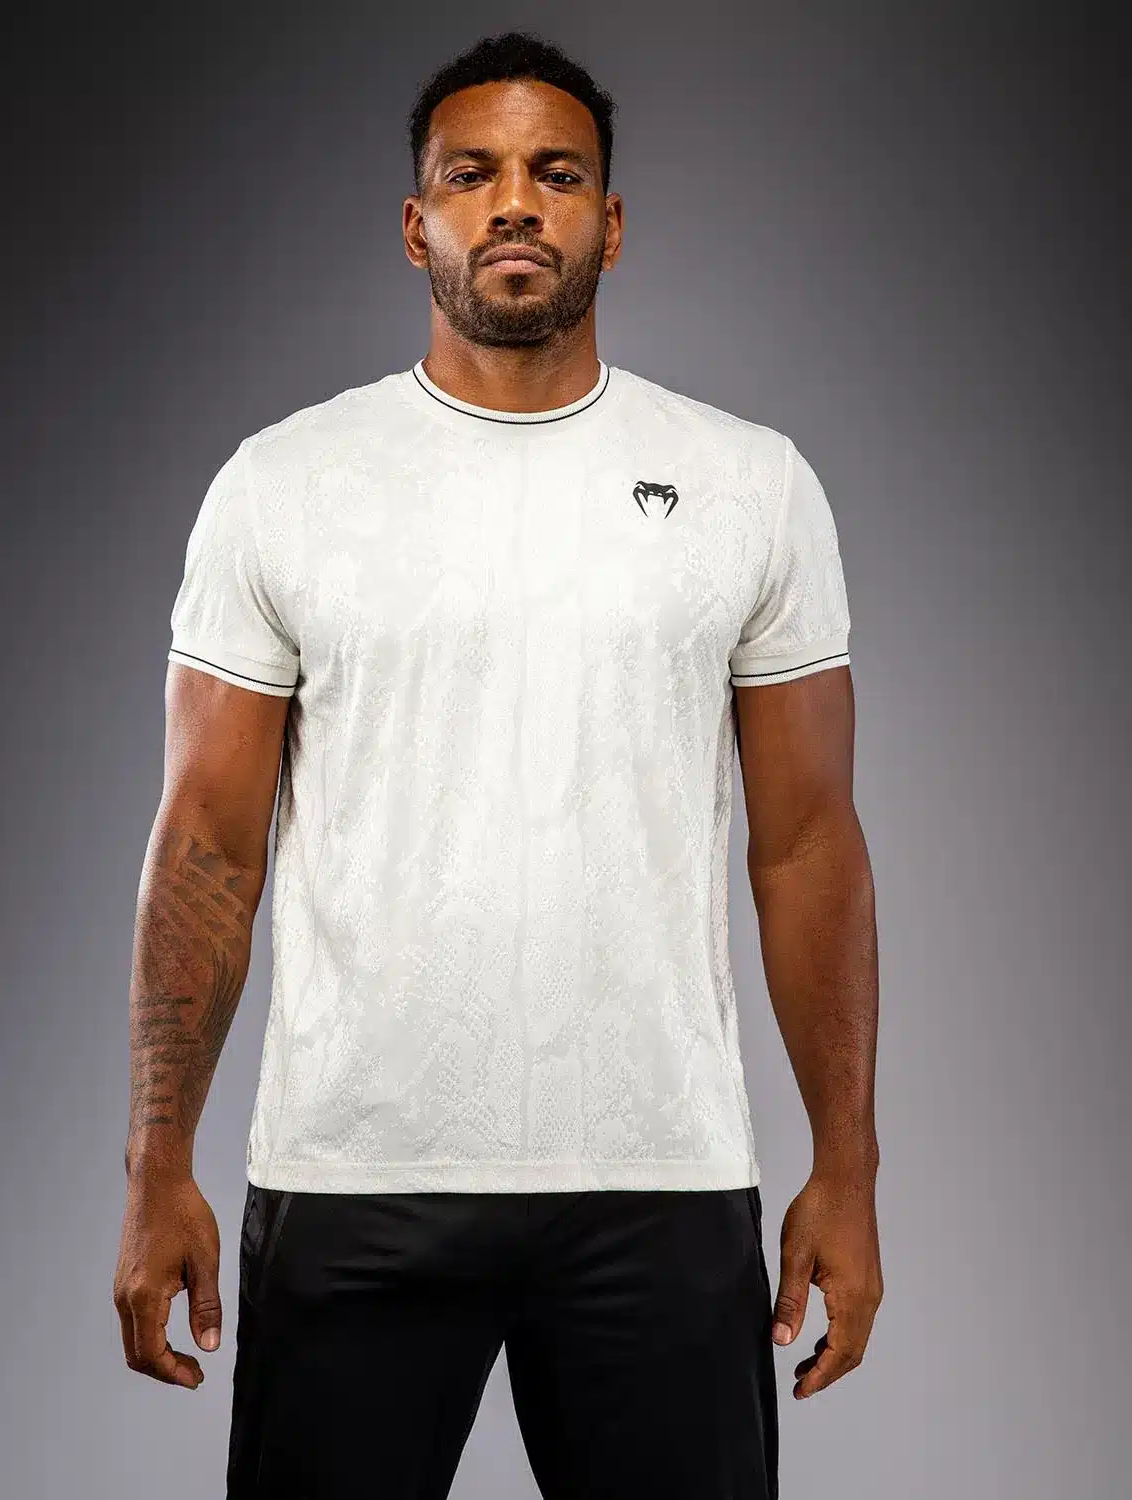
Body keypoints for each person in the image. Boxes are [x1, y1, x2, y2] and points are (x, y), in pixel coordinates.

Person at [112, 28, 882, 1500]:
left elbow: (806, 846)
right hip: (356, 1174)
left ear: (612, 222)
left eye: (556, 174)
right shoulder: (285, 485)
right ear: (418, 226)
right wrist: (157, 1165)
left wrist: (846, 1166)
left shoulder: (752, 485)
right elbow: (206, 844)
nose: (516, 202)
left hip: (658, 1178)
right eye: (473, 175)